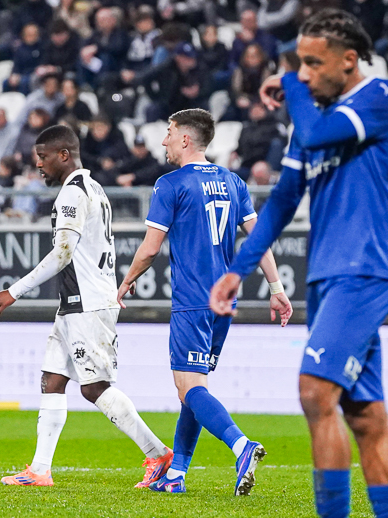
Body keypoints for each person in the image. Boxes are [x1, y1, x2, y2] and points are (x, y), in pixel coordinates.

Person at [211, 9, 388, 518]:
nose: (304, 74)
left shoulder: (382, 96)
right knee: (366, 413)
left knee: (314, 392)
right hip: (329, 275)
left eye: (312, 63)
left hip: (365, 269)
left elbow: (317, 134)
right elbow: (283, 201)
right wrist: (238, 270)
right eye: (299, 64)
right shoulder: (314, 118)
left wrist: (288, 86)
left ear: (348, 60)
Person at [0, 124, 174, 488]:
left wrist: (15, 291)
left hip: (87, 303)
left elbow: (63, 253)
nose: (38, 165)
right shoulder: (94, 188)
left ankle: (158, 453)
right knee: (53, 379)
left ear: (64, 155)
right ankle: (40, 470)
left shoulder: (72, 193)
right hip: (77, 302)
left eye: (43, 157)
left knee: (94, 387)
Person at [117, 109, 292, 495]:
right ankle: (176, 475)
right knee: (194, 389)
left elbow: (150, 249)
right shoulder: (233, 181)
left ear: (185, 138)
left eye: (169, 132)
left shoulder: (170, 184)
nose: (164, 141)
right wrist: (276, 287)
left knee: (189, 388)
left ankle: (241, 446)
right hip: (224, 303)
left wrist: (127, 280)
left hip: (193, 300)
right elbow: (259, 238)